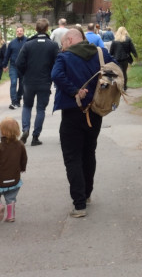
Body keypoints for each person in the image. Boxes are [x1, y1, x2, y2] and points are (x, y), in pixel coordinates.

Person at [51, 28, 102, 217]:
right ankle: (87, 194)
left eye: (63, 43)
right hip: (95, 111)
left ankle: (79, 203)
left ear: (71, 40)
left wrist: (74, 91)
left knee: (72, 156)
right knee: (89, 152)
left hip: (72, 112)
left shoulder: (64, 58)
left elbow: (56, 75)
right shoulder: (100, 53)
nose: (62, 47)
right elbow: (115, 72)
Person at [14, 18, 59, 146]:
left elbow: (18, 63)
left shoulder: (28, 44)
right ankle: (35, 136)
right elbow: (57, 64)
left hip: (29, 80)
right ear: (47, 29)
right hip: (45, 81)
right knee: (41, 109)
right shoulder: (52, 45)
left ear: (35, 29)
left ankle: (25, 129)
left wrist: (24, 74)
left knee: (27, 106)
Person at [0, 117, 27, 223]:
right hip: (14, 179)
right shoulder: (20, 145)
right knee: (11, 198)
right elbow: (24, 158)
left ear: (2, 133)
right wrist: (22, 168)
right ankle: (10, 216)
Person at [5, 24, 27, 109]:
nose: (19, 32)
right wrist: (4, 64)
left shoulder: (27, 42)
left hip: (23, 66)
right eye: (17, 31)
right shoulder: (12, 43)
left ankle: (18, 99)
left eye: (21, 31)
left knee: (22, 85)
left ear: (23, 31)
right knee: (13, 83)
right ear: (16, 32)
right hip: (13, 66)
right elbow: (7, 55)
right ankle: (13, 101)